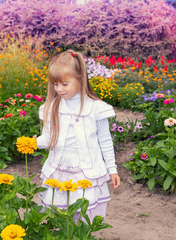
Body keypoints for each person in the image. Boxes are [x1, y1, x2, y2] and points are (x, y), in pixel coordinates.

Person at [35, 49, 121, 222]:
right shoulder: (52, 107)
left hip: (86, 174)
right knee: (60, 217)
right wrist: (30, 143)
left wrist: (112, 169)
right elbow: (47, 138)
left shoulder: (95, 108)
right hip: (59, 172)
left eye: (64, 84)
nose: (58, 89)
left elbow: (105, 142)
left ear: (80, 79)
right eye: (55, 84)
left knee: (83, 215)